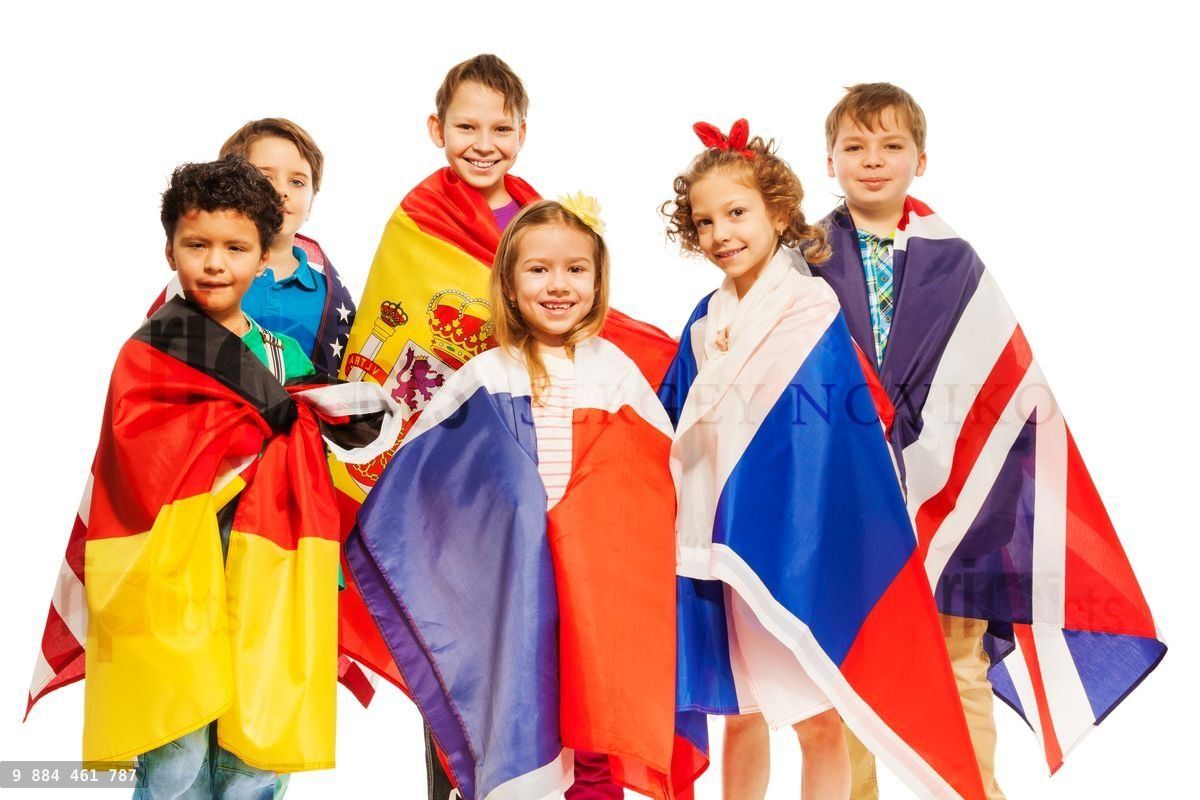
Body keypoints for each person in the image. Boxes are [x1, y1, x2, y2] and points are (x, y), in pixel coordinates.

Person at [335, 54, 677, 800]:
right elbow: (399, 346)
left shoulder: (537, 222)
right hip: (477, 509)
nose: (482, 141)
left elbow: (647, 467)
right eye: (466, 125)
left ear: (522, 133)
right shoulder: (417, 226)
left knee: (586, 707)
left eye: (499, 127)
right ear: (437, 129)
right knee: (477, 680)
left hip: (578, 550)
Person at [814, 82, 1166, 799]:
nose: (872, 161)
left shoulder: (955, 260)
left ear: (921, 159)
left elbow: (1003, 387)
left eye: (891, 146)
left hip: (962, 501)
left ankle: (976, 792)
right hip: (851, 497)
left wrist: (980, 490)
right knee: (855, 670)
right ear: (830, 161)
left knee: (958, 665)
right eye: (855, 147)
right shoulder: (809, 257)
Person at [26, 157, 398, 798]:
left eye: (235, 247)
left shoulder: (285, 358)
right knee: (177, 746)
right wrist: (263, 431)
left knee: (255, 747)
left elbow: (318, 444)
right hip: (174, 575)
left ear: (262, 256)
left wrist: (320, 424)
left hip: (269, 566)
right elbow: (137, 462)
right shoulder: (151, 353)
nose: (215, 263)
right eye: (197, 245)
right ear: (169, 249)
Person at [660, 120, 986, 800]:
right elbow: (676, 418)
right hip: (722, 539)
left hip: (795, 539)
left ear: (778, 213)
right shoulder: (703, 317)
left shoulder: (809, 305)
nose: (722, 233)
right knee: (741, 712)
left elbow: (825, 441)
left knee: (817, 716)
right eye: (705, 221)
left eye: (738, 213)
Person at [149, 117, 356, 378]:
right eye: (265, 177)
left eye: (297, 182)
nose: (281, 191)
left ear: (313, 199)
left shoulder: (331, 299)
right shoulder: (206, 282)